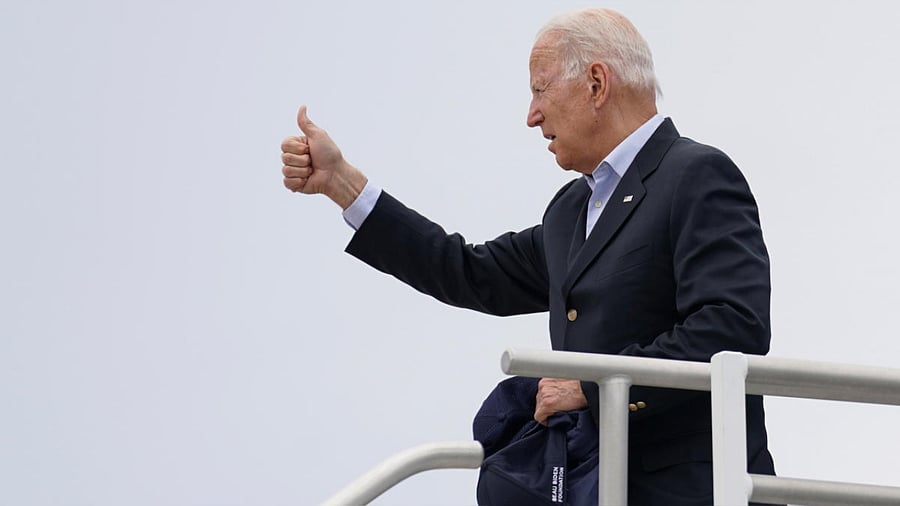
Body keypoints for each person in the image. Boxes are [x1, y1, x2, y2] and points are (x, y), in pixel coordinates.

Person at [281, 7, 777, 505]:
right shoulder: (570, 211)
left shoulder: (696, 175)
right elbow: (470, 271)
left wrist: (593, 384)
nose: (531, 114)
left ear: (596, 84)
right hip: (596, 488)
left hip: (692, 491)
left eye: (540, 90)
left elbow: (733, 326)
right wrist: (344, 185)